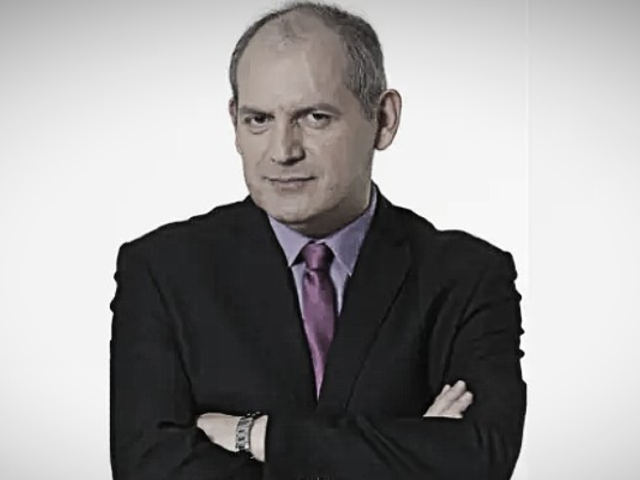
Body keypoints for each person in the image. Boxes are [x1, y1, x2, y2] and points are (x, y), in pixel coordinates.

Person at [109, 2, 526, 479]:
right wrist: (408, 452)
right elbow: (149, 469)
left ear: (384, 119)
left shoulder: (467, 276)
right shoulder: (163, 271)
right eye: (258, 120)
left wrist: (256, 435)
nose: (282, 151)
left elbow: (478, 460)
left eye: (314, 117)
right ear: (234, 122)